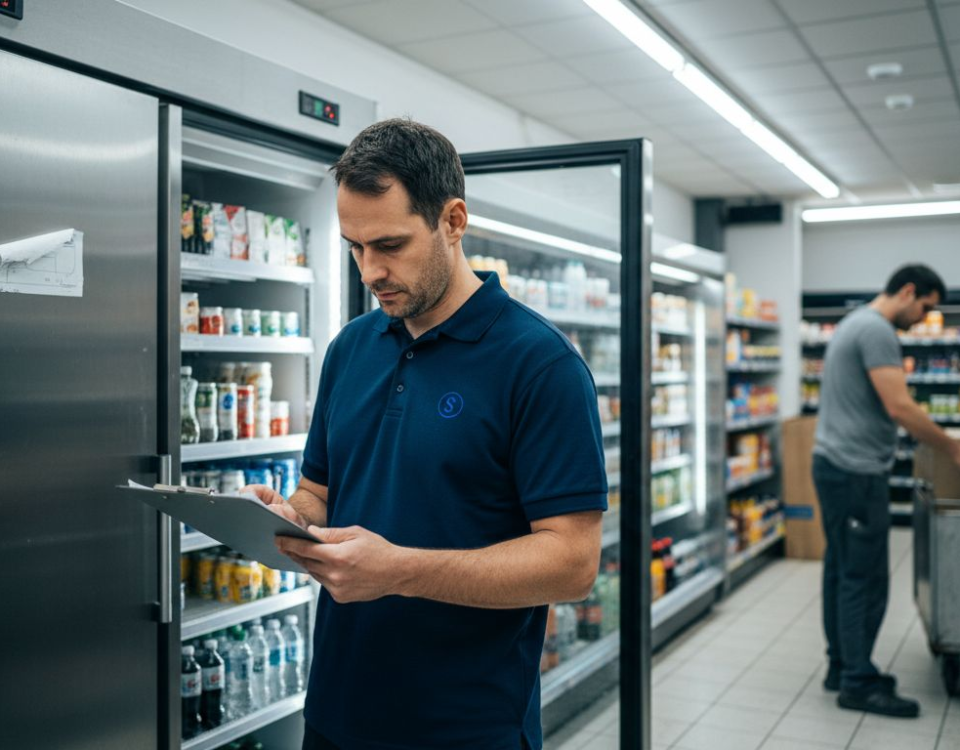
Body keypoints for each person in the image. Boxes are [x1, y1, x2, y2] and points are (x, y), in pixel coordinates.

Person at [244, 118, 607, 750]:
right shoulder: (350, 348)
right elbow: (317, 491)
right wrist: (286, 517)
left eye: (389, 244)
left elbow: (573, 564)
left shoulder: (541, 364)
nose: (370, 270)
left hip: (465, 725)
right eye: (355, 247)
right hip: (335, 709)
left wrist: (399, 571)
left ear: (453, 221)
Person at [812, 264, 960, 718]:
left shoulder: (853, 322)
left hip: (833, 464)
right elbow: (899, 406)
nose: (923, 317)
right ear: (908, 291)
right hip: (856, 472)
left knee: (840, 569)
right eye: (926, 307)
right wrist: (952, 446)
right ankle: (858, 681)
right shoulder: (876, 331)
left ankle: (841, 666)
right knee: (865, 577)